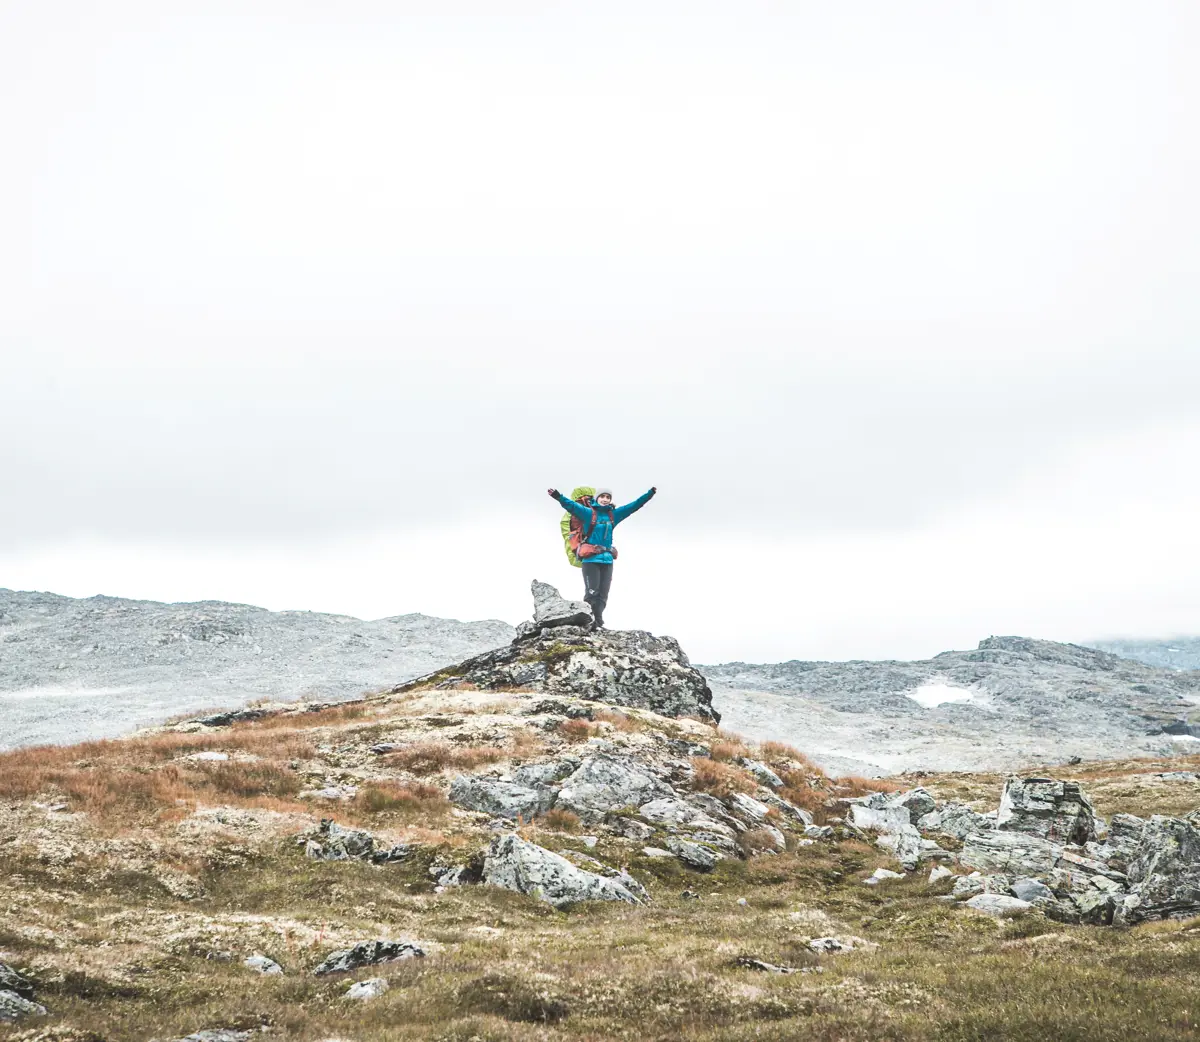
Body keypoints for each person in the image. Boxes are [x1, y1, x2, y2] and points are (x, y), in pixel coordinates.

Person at [546, 485, 657, 628]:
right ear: (596, 498)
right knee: (592, 592)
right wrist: (557, 496)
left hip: (608, 560)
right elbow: (571, 506)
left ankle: (598, 622)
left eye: (608, 497)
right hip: (590, 560)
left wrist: (649, 494)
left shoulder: (613, 515)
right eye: (602, 497)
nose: (605, 499)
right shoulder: (587, 513)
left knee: (603, 595)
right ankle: (588, 621)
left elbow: (634, 506)